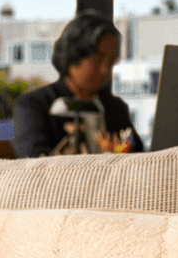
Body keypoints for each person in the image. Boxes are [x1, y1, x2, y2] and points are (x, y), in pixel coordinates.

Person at [12, 11, 145, 157]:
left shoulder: (115, 108)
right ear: (72, 56)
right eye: (98, 59)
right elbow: (33, 161)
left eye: (111, 61)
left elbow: (139, 155)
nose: (105, 69)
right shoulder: (34, 106)